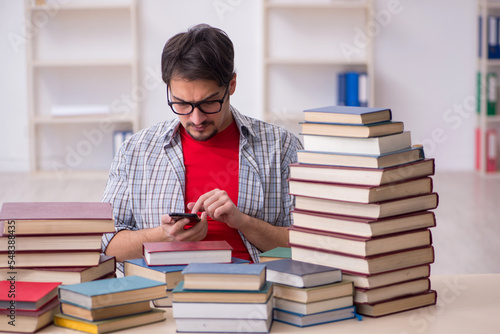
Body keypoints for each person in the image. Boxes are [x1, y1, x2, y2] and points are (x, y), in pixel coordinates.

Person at [101, 23, 303, 270]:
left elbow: (307, 243)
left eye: (208, 103)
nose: (196, 119)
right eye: (182, 104)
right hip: (163, 299)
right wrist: (163, 236)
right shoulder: (135, 151)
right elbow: (106, 245)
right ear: (169, 90)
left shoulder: (281, 147)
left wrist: (243, 222)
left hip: (253, 295)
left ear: (231, 85)